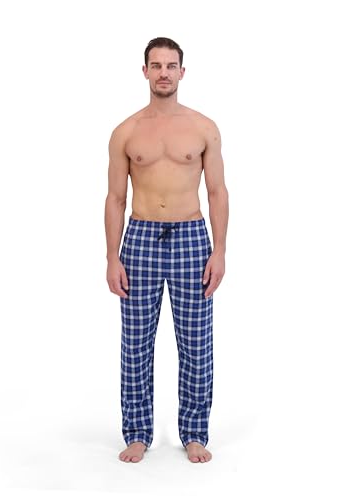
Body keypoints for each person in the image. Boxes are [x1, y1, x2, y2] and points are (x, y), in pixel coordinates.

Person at [105, 37, 229, 464]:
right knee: (135, 343)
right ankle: (137, 433)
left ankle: (194, 433)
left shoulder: (203, 127)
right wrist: (112, 257)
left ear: (182, 72)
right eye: (155, 65)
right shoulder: (126, 131)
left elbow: (217, 191)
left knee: (196, 342)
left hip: (192, 237)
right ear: (145, 72)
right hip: (140, 238)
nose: (163, 73)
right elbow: (115, 198)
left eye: (170, 66)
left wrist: (220, 251)